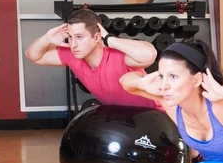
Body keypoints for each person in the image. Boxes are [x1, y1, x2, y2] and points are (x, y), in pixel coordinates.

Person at [24, 8, 160, 109]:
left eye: (79, 37)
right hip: (123, 118)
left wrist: (109, 39)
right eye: (70, 37)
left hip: (156, 115)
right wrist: (46, 39)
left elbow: (150, 55)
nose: (73, 44)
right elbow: (34, 56)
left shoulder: (117, 55)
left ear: (96, 37)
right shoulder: (72, 55)